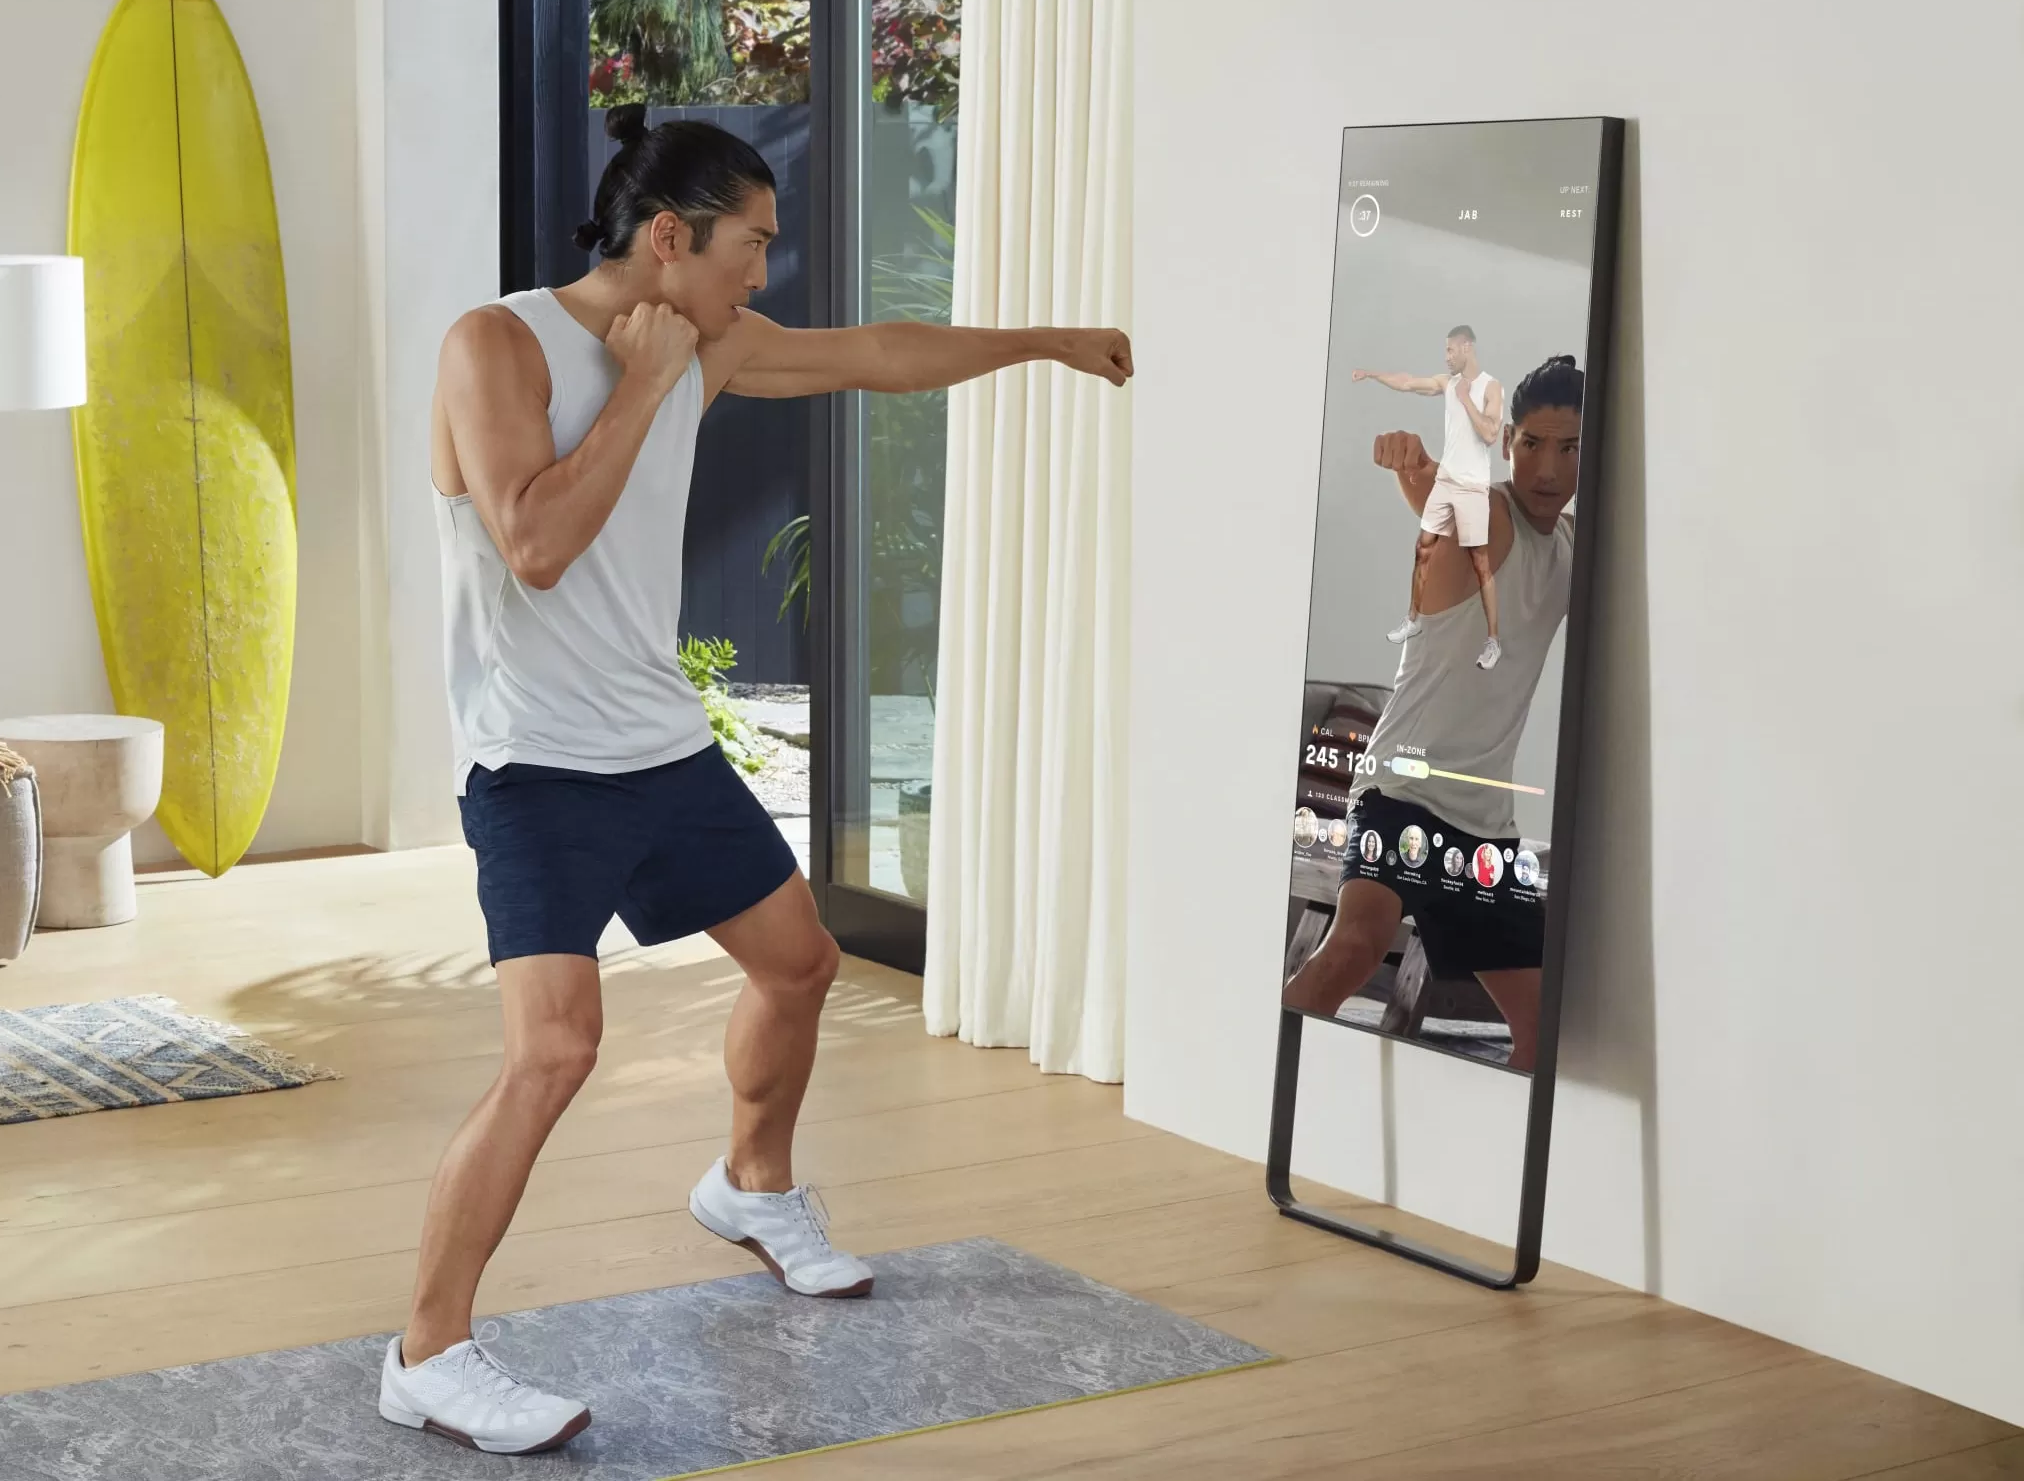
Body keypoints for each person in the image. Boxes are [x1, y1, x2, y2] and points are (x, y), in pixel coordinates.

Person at [379, 104, 1132, 1456]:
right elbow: (536, 540)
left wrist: (1046, 342)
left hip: (659, 746)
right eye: (751, 246)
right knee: (555, 1048)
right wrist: (653, 384)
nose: (762, 278)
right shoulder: (494, 344)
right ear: (670, 237)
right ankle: (425, 1350)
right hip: (535, 765)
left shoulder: (712, 341)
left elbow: (877, 354)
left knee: (798, 960)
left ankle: (751, 1182)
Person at [1281, 354, 1582, 1071]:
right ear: (1510, 441)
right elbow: (1449, 503)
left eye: (1568, 447)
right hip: (1404, 791)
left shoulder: (1571, 546)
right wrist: (1410, 466)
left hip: (1484, 818)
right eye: (1532, 443)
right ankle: (1257, 1088)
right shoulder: (1492, 514)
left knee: (1546, 1031)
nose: (1546, 467)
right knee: (1354, 947)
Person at [1353, 326, 1507, 668]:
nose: (1447, 356)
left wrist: (1467, 400)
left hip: (1472, 487)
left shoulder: (1491, 387)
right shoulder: (1447, 383)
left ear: (1467, 348)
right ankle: (1412, 620)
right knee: (1423, 548)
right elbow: (1408, 382)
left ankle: (1493, 641)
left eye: (1451, 350)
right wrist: (1373, 375)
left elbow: (1492, 433)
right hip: (1446, 481)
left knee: (1480, 564)